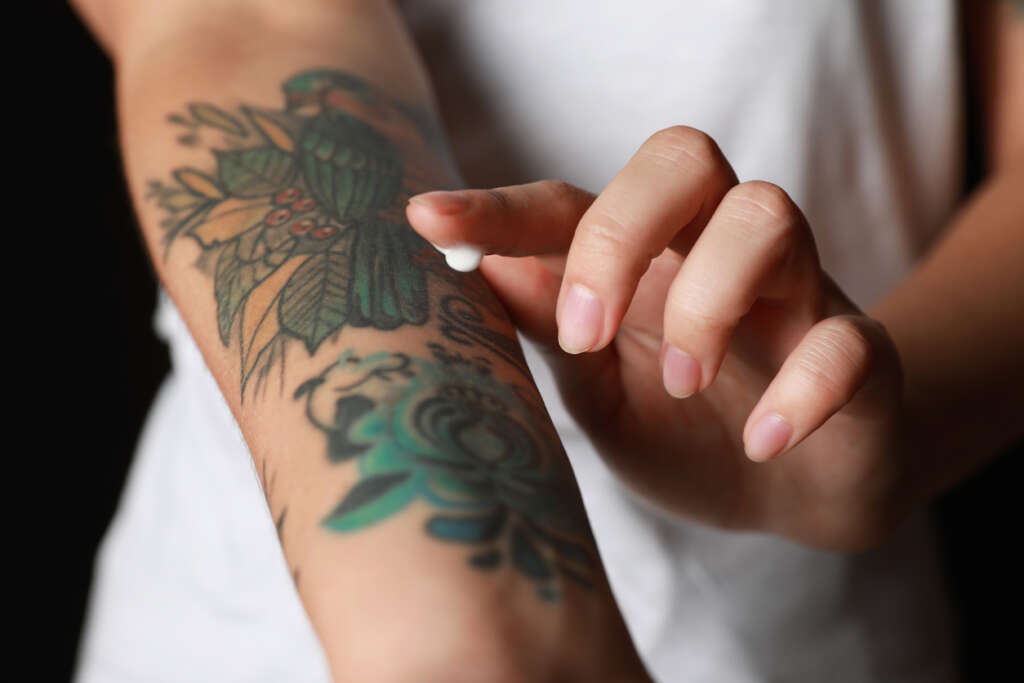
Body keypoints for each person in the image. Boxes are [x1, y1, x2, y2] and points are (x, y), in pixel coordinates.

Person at [73, 0, 1023, 681]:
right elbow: (251, 30)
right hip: (298, 631)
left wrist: (894, 433)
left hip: (829, 626)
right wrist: (483, 641)